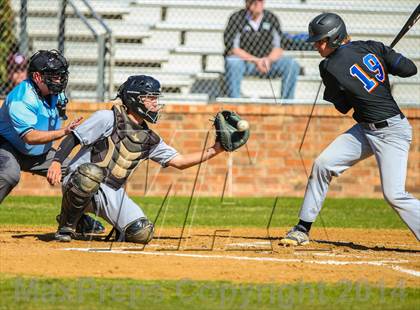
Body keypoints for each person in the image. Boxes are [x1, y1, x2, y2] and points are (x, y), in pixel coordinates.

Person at [280, 13, 419, 246]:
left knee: (394, 195)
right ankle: (302, 228)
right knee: (323, 164)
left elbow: (343, 106)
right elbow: (409, 69)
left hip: (391, 132)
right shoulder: (372, 47)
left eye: (320, 41)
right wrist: (384, 57)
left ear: (335, 38)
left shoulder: (329, 67)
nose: (316, 46)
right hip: (366, 128)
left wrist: (361, 82)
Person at [49, 75, 226, 243]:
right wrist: (57, 163)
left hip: (111, 191)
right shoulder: (107, 118)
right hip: (78, 180)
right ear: (135, 99)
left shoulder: (149, 138)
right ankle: (67, 224)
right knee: (91, 174)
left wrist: (216, 149)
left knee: (142, 233)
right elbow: (73, 138)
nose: (156, 104)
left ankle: (82, 220)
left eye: (156, 98)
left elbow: (179, 162)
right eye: (150, 98)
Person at [0, 49, 104, 234]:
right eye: (54, 76)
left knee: (80, 175)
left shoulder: (56, 94)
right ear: (37, 76)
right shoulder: (21, 99)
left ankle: (75, 219)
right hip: (8, 146)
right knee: (9, 174)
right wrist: (64, 132)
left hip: (39, 151)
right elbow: (30, 137)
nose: (60, 79)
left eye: (61, 75)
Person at [223, 0, 300, 99]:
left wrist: (267, 60)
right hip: (246, 63)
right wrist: (256, 60)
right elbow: (233, 49)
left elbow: (279, 47)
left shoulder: (271, 18)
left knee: (291, 64)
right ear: (247, 2)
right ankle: (235, 103)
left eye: (260, 0)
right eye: (254, 1)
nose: (257, 3)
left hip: (268, 63)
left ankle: (287, 105)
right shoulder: (236, 18)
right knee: (232, 62)